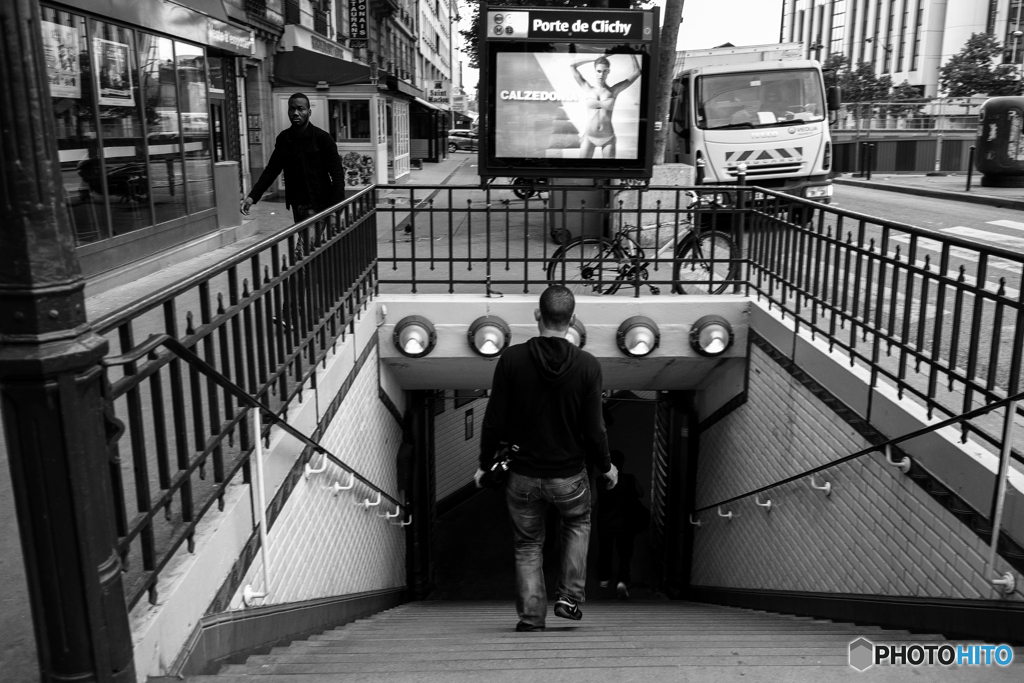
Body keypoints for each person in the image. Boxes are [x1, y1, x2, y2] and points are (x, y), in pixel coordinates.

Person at [476, 285, 618, 632]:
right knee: (577, 524)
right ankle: (569, 599)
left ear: (538, 315)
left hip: (522, 475)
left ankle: (530, 618)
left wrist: (484, 464)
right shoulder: (587, 366)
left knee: (527, 544)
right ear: (573, 320)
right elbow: (594, 428)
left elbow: (494, 419)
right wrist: (606, 465)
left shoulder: (511, 360)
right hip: (569, 475)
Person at [240, 93, 346, 222]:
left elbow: (337, 175)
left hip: (318, 205)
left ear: (309, 112)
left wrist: (335, 210)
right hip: (297, 205)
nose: (295, 113)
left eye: (301, 109)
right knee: (312, 241)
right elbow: (272, 170)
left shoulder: (323, 139)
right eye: (292, 108)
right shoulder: (284, 139)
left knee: (305, 242)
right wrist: (252, 197)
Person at [596, 449, 647, 600]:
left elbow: (591, 502)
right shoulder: (630, 479)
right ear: (622, 464)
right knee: (625, 554)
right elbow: (641, 493)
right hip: (626, 524)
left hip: (604, 524)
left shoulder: (599, 481)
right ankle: (622, 582)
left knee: (605, 551)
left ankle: (604, 580)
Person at [570, 54, 641, 159]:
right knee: (582, 171)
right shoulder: (587, 88)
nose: (601, 75)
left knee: (609, 173)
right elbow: (572, 66)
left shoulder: (614, 90)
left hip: (608, 138)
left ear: (608, 71)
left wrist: (631, 52)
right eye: (598, 71)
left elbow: (637, 72)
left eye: (604, 71)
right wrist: (593, 59)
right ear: (595, 71)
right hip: (589, 136)